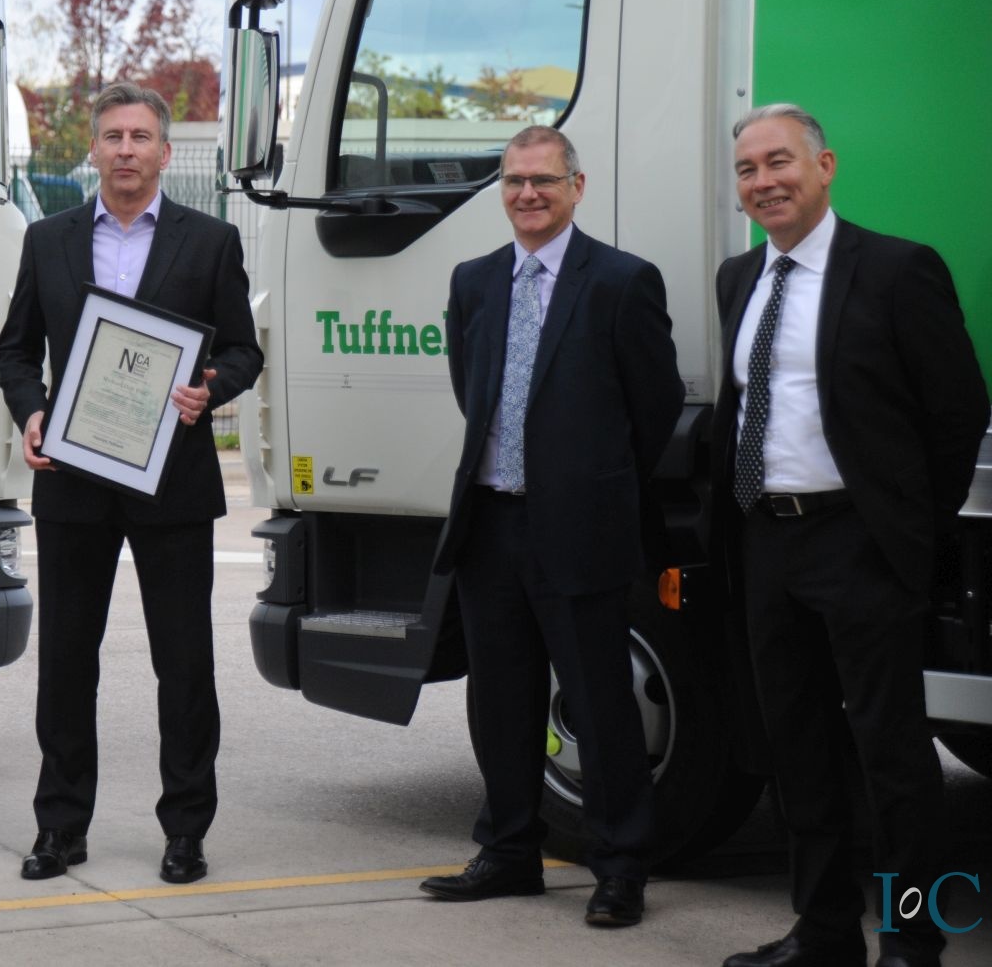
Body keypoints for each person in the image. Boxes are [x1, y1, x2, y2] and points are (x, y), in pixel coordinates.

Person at [715, 104, 988, 967]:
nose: (764, 181)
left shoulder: (898, 270)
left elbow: (957, 411)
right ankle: (824, 931)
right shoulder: (738, 278)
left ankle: (912, 936)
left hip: (858, 545)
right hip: (768, 542)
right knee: (798, 749)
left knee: (892, 755)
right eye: (748, 169)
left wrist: (907, 530)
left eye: (780, 162)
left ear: (824, 166)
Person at [0, 82, 262, 885]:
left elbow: (243, 351)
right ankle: (60, 827)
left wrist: (210, 387)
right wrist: (32, 412)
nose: (125, 150)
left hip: (173, 484)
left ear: (165, 152)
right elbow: (15, 351)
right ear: (94, 149)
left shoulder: (210, 241)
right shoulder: (49, 240)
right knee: (67, 663)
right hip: (74, 480)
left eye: (140, 136)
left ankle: (186, 832)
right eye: (112, 136)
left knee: (184, 666)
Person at [420, 125, 684, 927]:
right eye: (514, 181)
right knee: (501, 702)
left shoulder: (622, 281)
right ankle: (509, 852)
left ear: (577, 186)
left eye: (543, 180)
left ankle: (620, 867)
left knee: (600, 706)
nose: (527, 194)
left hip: (580, 527)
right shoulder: (474, 281)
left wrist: (590, 483)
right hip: (490, 524)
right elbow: (474, 389)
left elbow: (655, 404)